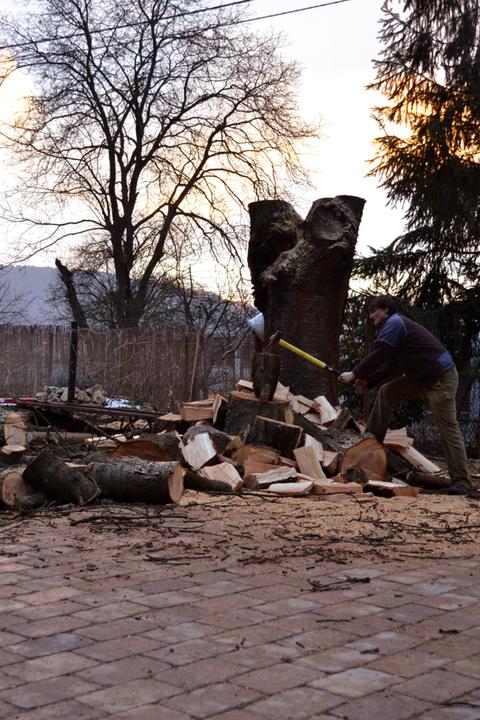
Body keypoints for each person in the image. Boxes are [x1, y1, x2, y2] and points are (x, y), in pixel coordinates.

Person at [338, 295, 472, 495]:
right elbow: (390, 362)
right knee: (387, 392)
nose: (371, 316)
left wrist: (355, 373)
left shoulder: (395, 323)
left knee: (448, 428)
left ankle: (461, 482)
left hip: (440, 377)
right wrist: (368, 380)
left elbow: (380, 352)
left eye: (374, 311)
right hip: (421, 378)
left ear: (386, 310)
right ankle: (370, 444)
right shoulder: (392, 329)